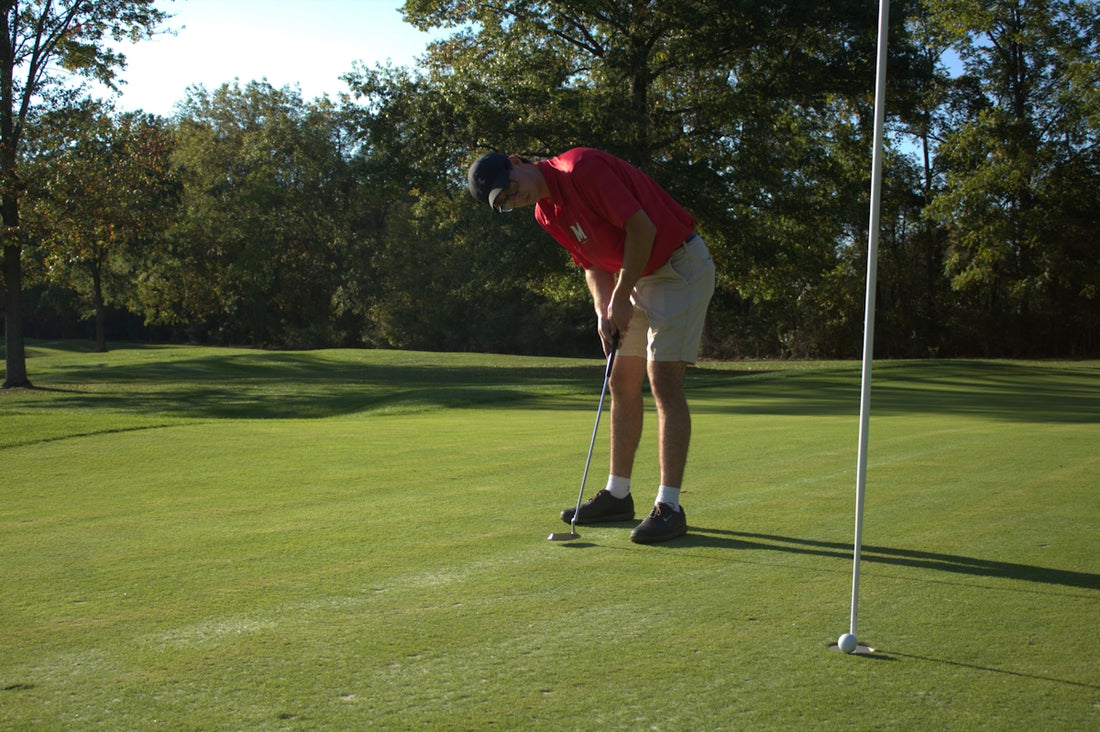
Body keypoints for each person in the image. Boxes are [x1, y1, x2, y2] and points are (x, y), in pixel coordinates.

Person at [468, 147, 715, 543]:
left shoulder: (580, 169)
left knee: (663, 382)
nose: (516, 198)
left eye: (511, 188)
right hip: (632, 277)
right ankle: (618, 494)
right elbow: (592, 263)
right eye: (507, 202)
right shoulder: (545, 214)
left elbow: (643, 229)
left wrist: (621, 297)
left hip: (677, 266)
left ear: (517, 162)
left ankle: (670, 506)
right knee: (620, 380)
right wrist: (604, 308)